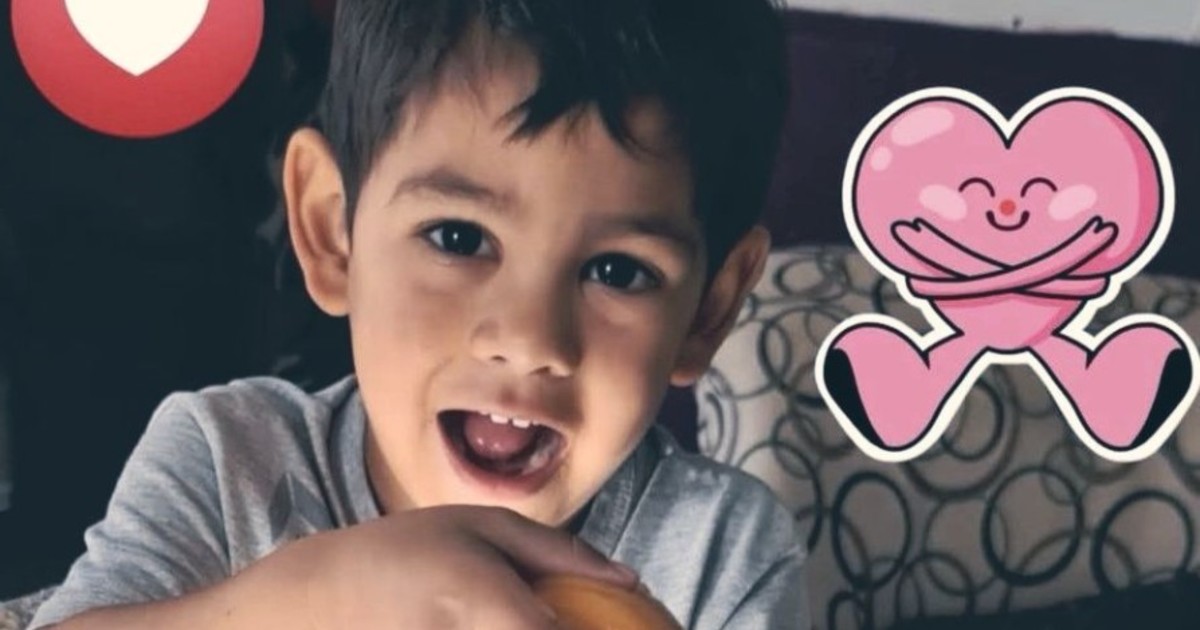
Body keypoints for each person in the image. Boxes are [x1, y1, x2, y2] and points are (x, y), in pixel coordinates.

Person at [30, 0, 806, 627]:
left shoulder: (720, 552)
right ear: (332, 231)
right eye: (458, 238)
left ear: (709, 309)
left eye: (617, 272)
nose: (527, 338)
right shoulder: (228, 459)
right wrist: (316, 598)